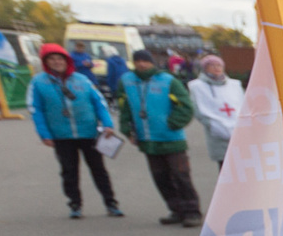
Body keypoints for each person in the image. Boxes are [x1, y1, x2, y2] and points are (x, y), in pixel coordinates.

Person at [28, 43, 122, 217]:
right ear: (46, 62)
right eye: (52, 59)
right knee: (69, 171)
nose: (57, 62)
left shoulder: (82, 80)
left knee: (99, 170)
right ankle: (75, 205)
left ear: (67, 61)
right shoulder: (38, 82)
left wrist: (107, 124)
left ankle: (111, 203)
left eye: (60, 59)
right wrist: (44, 134)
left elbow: (99, 103)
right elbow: (36, 110)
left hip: (89, 132)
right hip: (61, 135)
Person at [116, 50, 203, 226]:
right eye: (138, 61)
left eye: (145, 61)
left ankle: (192, 211)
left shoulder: (168, 80)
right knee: (160, 177)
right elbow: (123, 107)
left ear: (152, 62)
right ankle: (176, 210)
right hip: (147, 140)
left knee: (181, 176)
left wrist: (172, 124)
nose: (142, 64)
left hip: (172, 139)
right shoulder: (126, 81)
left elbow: (186, 106)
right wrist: (127, 129)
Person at [188, 54, 245, 178]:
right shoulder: (197, 86)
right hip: (217, 131)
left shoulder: (234, 85)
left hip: (238, 130)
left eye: (219, 65)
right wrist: (215, 126)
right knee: (226, 167)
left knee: (243, 166)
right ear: (205, 68)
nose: (216, 68)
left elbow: (242, 105)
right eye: (212, 66)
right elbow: (199, 109)